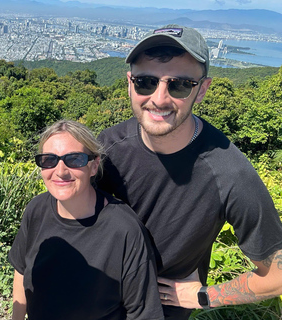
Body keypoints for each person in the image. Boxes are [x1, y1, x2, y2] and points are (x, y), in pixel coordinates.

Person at [97, 24, 282, 319]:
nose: (159, 98)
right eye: (146, 82)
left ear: (202, 89)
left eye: (179, 84)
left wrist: (206, 296)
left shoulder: (229, 172)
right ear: (129, 83)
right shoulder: (104, 150)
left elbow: (277, 274)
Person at [9, 120, 164, 320]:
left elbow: (143, 313)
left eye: (74, 159)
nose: (61, 171)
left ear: (94, 165)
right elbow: (21, 270)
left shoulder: (123, 229)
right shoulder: (36, 210)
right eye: (49, 160)